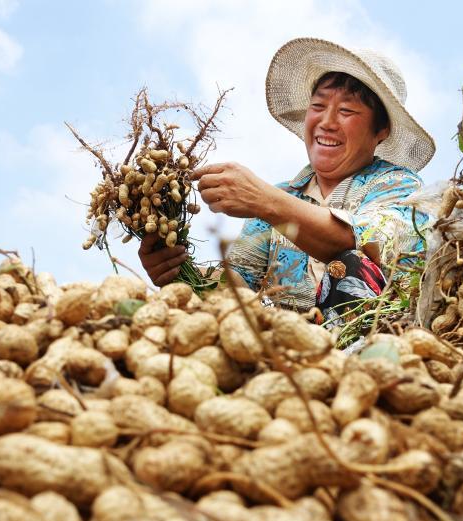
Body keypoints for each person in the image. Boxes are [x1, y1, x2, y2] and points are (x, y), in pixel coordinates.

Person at [138, 38, 435, 326]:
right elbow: (236, 291)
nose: (327, 122)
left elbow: (357, 243)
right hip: (294, 350)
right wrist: (176, 273)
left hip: (377, 345)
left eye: (346, 111)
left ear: (380, 130)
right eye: (318, 107)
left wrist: (263, 200)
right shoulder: (283, 197)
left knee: (350, 263)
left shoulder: (400, 188)